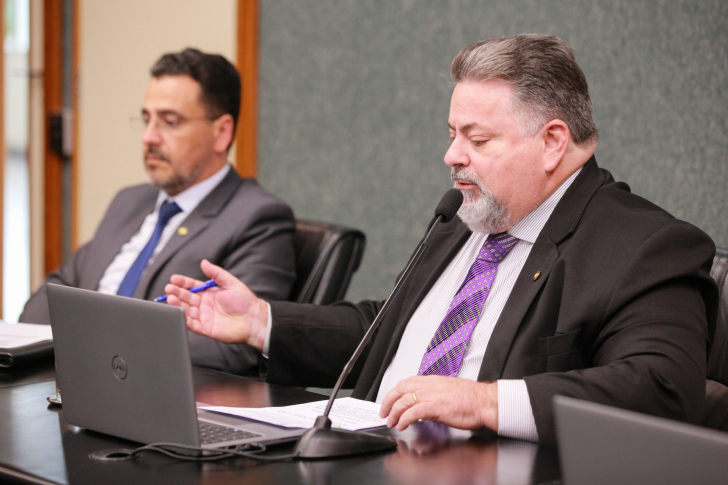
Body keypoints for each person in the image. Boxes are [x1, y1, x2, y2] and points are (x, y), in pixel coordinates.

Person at [164, 35, 718, 446]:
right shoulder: (468, 214)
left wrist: (483, 399)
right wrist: (262, 321)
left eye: (477, 138)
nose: (452, 156)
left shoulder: (647, 246)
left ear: (553, 142)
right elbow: (385, 332)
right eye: (452, 135)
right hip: (370, 454)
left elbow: (660, 388)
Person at [20, 48, 296, 375]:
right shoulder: (129, 201)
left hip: (153, 397)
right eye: (147, 118)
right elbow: (52, 298)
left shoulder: (257, 217)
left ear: (221, 133)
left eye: (169, 122)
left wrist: (99, 350)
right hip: (68, 383)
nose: (148, 137)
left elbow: (233, 346)